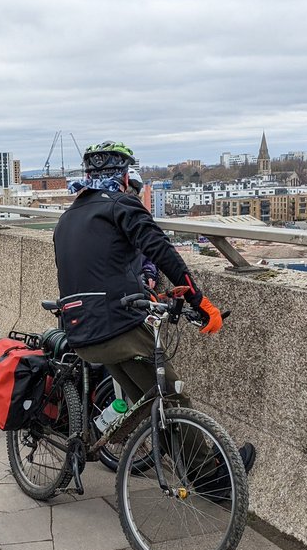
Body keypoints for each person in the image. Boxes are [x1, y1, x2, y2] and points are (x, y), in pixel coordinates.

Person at [53, 140, 255, 475]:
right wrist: (199, 300)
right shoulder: (120, 204)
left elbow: (98, 268)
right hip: (117, 327)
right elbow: (160, 250)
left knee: (150, 402)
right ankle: (208, 477)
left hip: (80, 331)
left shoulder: (67, 217)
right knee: (172, 395)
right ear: (124, 176)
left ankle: (182, 464)